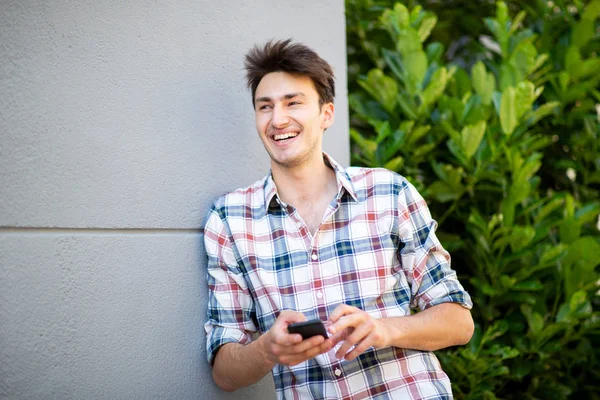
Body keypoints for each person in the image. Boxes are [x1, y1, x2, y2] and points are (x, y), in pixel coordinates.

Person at [203, 39, 474, 399]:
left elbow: (458, 321)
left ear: (326, 114)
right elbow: (224, 372)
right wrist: (267, 349)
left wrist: (384, 329)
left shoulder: (389, 193)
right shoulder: (229, 221)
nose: (277, 119)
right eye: (264, 106)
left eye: (293, 103)